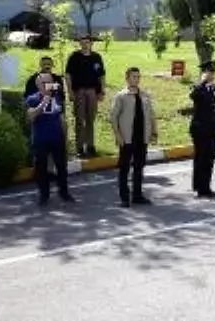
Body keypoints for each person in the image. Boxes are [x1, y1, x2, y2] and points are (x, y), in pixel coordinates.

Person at [108, 67, 157, 208]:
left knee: (139, 167)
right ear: (127, 78)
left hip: (142, 138)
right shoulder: (121, 96)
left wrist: (154, 132)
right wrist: (118, 136)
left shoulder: (145, 95)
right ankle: (124, 198)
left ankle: (137, 195)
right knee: (124, 169)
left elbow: (151, 115)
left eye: (138, 76)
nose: (136, 79)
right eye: (134, 76)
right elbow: (113, 117)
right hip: (127, 138)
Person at [25, 72, 75, 206]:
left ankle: (64, 192)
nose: (49, 86)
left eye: (50, 82)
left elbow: (61, 117)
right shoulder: (32, 99)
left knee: (61, 167)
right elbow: (30, 117)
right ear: (39, 85)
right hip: (41, 139)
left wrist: (66, 136)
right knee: (41, 168)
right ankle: (44, 194)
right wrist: (42, 103)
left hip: (57, 137)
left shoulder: (57, 97)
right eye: (45, 83)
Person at [65, 35, 106, 158]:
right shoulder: (74, 57)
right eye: (82, 42)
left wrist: (102, 91)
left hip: (93, 91)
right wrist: (70, 91)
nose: (85, 44)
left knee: (90, 120)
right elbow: (68, 75)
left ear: (91, 44)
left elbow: (102, 75)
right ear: (80, 43)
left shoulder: (96, 57)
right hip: (79, 91)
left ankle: (90, 146)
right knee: (79, 120)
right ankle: (79, 147)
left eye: (87, 42)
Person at [188, 61, 215, 198]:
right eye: (209, 72)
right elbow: (193, 96)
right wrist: (202, 82)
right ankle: (199, 186)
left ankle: (206, 186)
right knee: (200, 158)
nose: (212, 75)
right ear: (204, 73)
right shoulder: (197, 87)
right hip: (200, 129)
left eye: (213, 72)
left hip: (212, 130)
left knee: (209, 159)